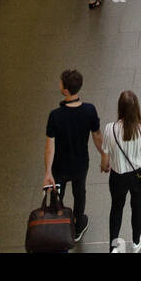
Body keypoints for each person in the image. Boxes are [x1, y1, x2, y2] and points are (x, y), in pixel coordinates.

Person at [43, 69, 103, 244]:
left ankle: (56, 224)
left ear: (66, 90)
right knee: (80, 192)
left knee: (57, 194)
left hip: (60, 166)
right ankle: (78, 225)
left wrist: (48, 171)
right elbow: (97, 136)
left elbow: (49, 146)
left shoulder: (55, 116)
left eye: (60, 82)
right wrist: (104, 155)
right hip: (80, 164)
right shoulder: (89, 110)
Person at [101, 90, 141, 253]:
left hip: (117, 176)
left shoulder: (109, 129)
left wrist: (105, 166)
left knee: (116, 208)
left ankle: (113, 247)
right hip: (137, 176)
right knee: (137, 206)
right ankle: (136, 240)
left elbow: (105, 157)